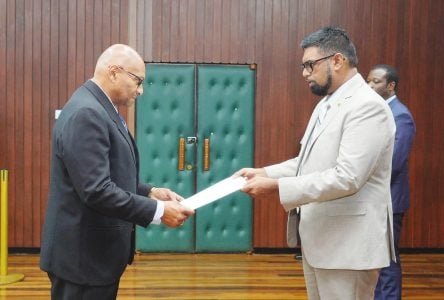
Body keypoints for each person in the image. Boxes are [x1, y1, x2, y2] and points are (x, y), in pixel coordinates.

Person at [235, 26, 396, 299]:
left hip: (349, 246)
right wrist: (264, 171)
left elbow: (348, 177)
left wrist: (276, 186)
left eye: (310, 65)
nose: (304, 73)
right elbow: (308, 161)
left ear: (337, 60)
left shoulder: (367, 106)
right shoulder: (327, 103)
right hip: (322, 241)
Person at [40, 44, 195, 299]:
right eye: (137, 81)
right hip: (83, 262)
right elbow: (96, 190)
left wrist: (150, 192)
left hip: (91, 258)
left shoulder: (99, 107)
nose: (141, 90)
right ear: (113, 72)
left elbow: (108, 173)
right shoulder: (87, 113)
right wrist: (159, 212)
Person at [367, 64, 416, 300]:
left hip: (390, 201)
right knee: (377, 259)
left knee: (387, 260)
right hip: (375, 199)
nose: (370, 86)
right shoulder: (378, 112)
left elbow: (394, 163)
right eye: (368, 81)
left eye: (375, 81)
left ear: (390, 85)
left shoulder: (401, 115)